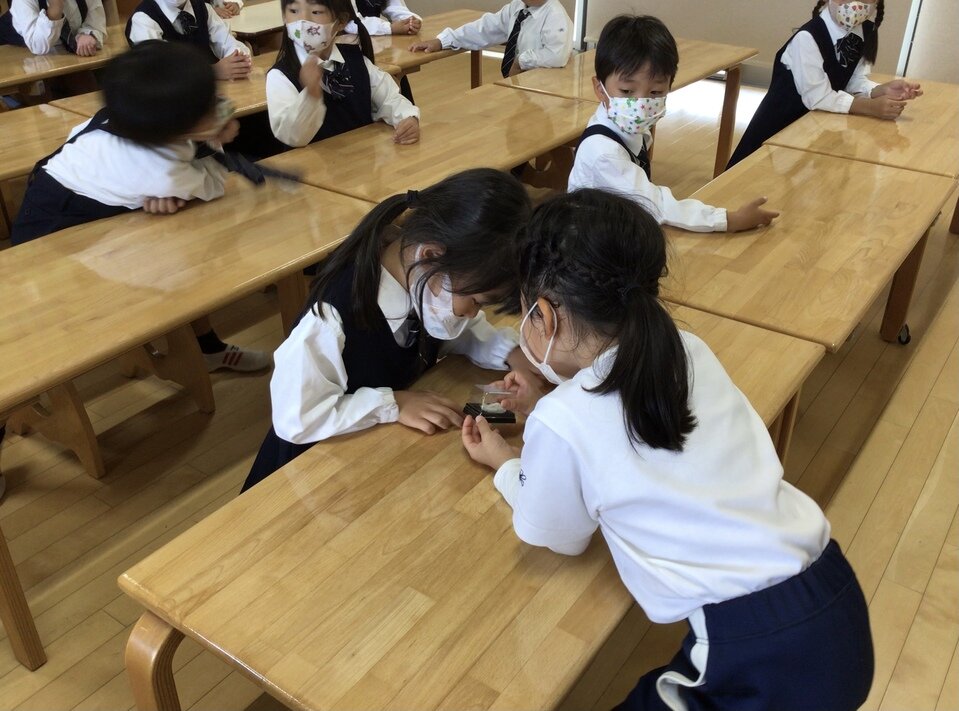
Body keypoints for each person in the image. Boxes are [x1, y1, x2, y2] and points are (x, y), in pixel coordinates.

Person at [462, 189, 874, 710]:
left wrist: (505, 461)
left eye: (524, 313)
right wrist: (548, 406)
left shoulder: (564, 420)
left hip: (762, 653)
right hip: (832, 596)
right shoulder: (687, 350)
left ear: (544, 314)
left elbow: (558, 535)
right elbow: (626, 426)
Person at [241, 168, 536, 491]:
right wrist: (393, 403)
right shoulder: (331, 318)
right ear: (431, 256)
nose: (472, 313)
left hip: (372, 458)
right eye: (476, 301)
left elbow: (457, 330)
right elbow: (296, 417)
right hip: (304, 473)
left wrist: (512, 353)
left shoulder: (421, 279)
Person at [11, 41, 270, 372]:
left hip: (77, 197)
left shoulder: (133, 120)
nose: (222, 108)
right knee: (176, 269)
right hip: (54, 230)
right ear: (174, 126)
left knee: (180, 256)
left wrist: (142, 192)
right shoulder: (159, 170)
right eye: (209, 106)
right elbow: (215, 185)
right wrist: (214, 143)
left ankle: (205, 346)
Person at [568, 15, 778, 233]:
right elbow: (654, 203)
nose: (641, 103)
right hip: (588, 244)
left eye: (655, 92)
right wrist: (729, 220)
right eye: (627, 91)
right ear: (600, 89)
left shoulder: (628, 129)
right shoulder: (604, 153)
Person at [727, 0, 921, 168]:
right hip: (779, 128)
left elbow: (852, 79)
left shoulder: (865, 31)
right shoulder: (807, 38)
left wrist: (879, 90)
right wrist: (870, 107)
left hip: (818, 129)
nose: (854, 4)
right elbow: (818, 97)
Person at [266, 0, 418, 148]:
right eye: (294, 11)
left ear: (341, 21)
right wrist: (311, 96)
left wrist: (407, 117)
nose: (303, 20)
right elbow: (293, 138)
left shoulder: (356, 60)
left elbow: (389, 97)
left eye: (316, 12)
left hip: (362, 157)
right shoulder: (280, 76)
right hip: (313, 164)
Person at [409, 0, 571, 78]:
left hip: (544, 89)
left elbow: (556, 56)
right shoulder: (517, 7)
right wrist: (443, 41)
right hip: (520, 83)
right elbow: (485, 28)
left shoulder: (555, 15)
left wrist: (520, 61)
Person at [126, 0, 252, 81]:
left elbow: (227, 42)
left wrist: (239, 61)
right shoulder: (143, 20)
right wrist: (212, 71)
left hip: (209, 94)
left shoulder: (202, 8)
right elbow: (160, 72)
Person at [0, 0, 105, 55]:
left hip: (61, 52)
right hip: (17, 53)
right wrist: (56, 8)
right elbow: (38, 46)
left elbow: (96, 21)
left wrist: (87, 34)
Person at [345, 0, 419, 36]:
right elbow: (349, 24)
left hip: (374, 41)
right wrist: (389, 28)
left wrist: (410, 21)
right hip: (346, 44)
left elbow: (394, 6)